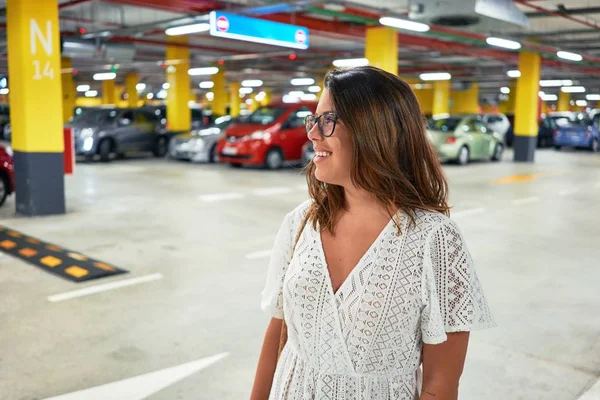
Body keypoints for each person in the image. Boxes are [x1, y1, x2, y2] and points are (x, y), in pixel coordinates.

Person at [250, 66, 495, 400]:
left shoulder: (434, 240)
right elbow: (279, 331)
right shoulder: (301, 222)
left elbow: (440, 385)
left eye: (328, 120)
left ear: (375, 131)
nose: (312, 134)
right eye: (314, 119)